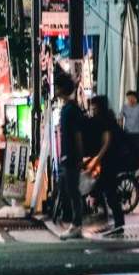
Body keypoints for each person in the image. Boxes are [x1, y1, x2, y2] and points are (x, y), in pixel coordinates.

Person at [89, 95, 127, 236]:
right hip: (111, 160)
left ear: (99, 107)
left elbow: (106, 143)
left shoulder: (105, 121)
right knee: (107, 190)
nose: (92, 110)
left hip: (110, 160)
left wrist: (96, 160)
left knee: (110, 192)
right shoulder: (108, 119)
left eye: (94, 108)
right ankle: (115, 221)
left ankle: (119, 223)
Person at [56, 70, 86, 240]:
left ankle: (76, 224)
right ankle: (74, 223)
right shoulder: (69, 108)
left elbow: (77, 135)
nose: (55, 90)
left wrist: (79, 157)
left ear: (62, 89)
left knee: (73, 190)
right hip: (69, 155)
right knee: (69, 189)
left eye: (57, 87)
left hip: (71, 157)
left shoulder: (70, 110)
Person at [118, 90, 139, 170]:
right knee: (128, 151)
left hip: (137, 133)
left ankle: (137, 168)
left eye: (132, 98)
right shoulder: (124, 107)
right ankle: (129, 168)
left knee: (137, 151)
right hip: (127, 132)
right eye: (128, 98)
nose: (130, 100)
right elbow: (120, 119)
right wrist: (120, 130)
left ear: (135, 98)